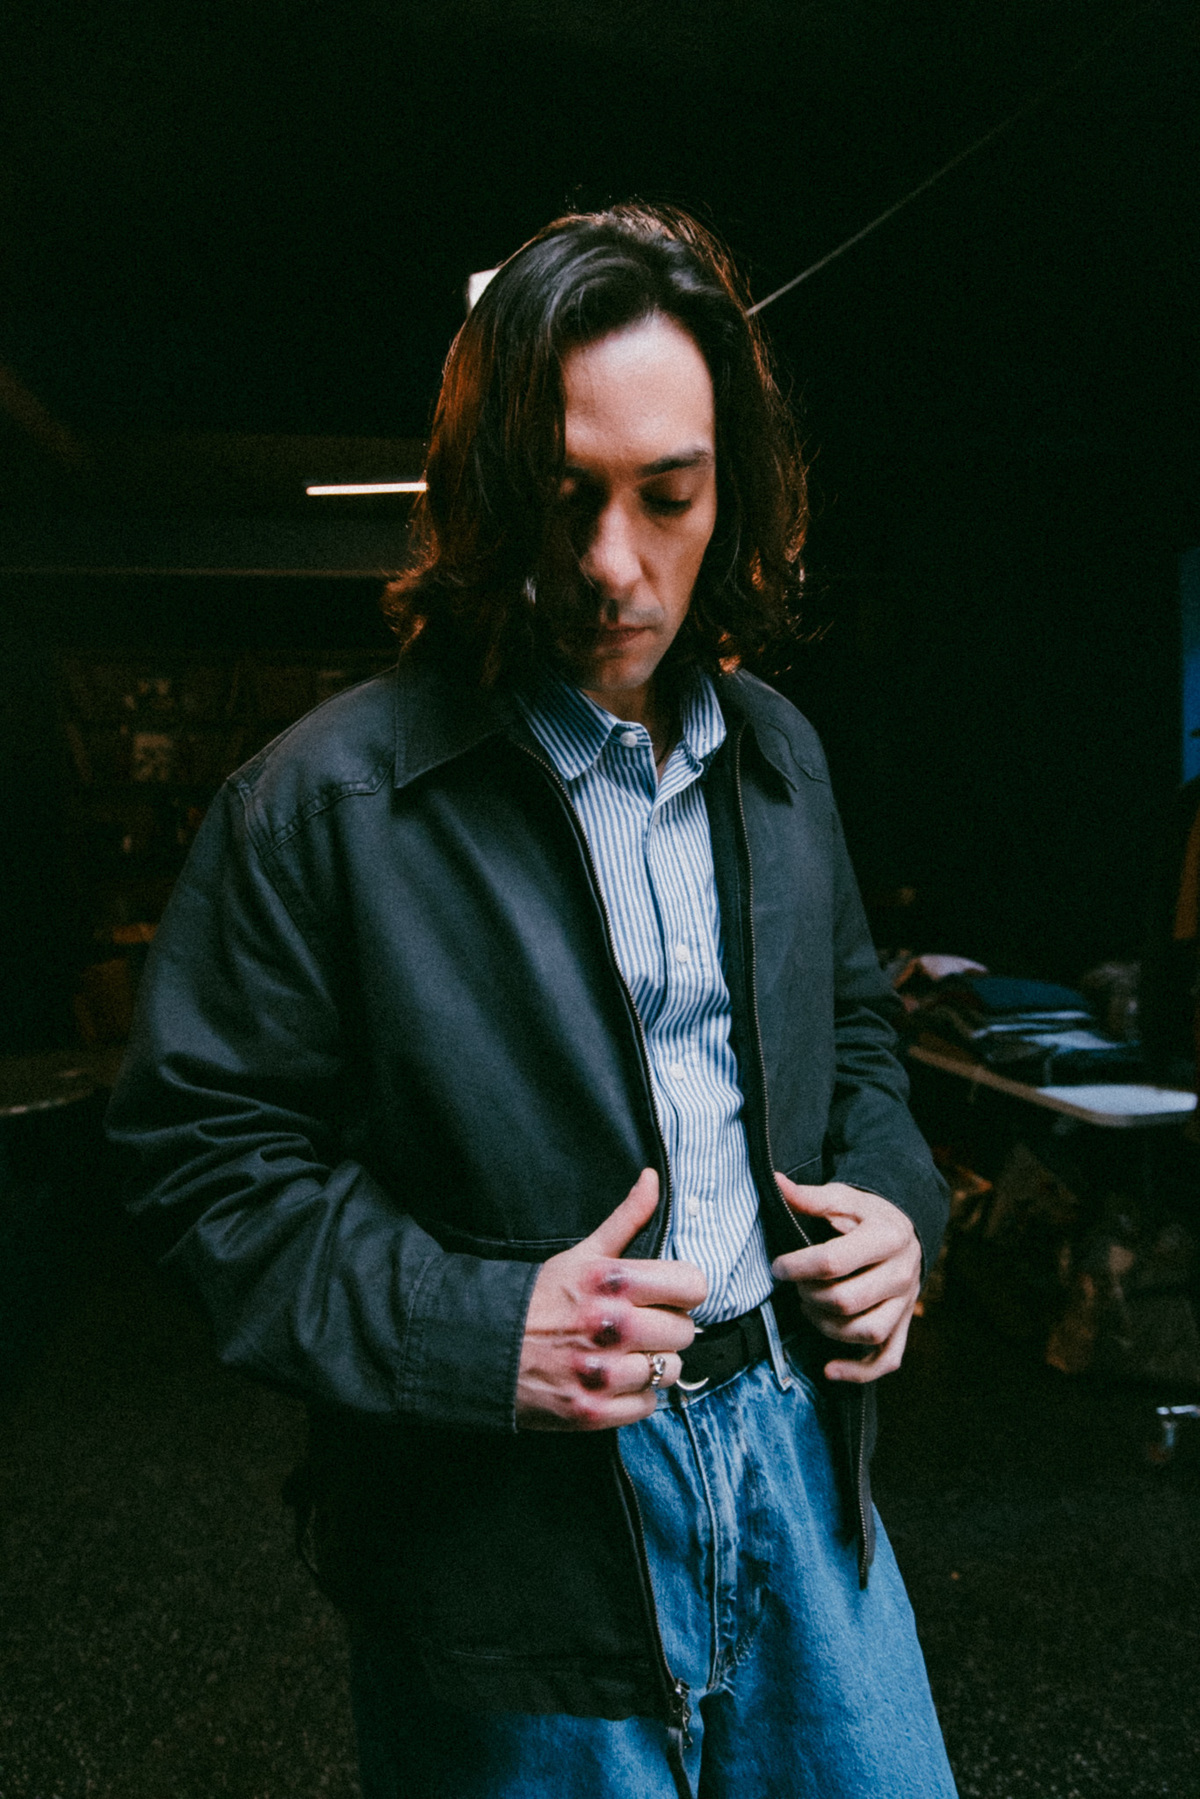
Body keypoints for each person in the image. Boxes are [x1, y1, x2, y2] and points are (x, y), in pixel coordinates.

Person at [107, 204, 957, 1799]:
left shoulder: (782, 756)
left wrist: (902, 1217)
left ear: (733, 488)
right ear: (488, 493)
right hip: (508, 1531)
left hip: (795, 1463)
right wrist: (472, 1331)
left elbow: (857, 1041)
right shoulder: (319, 805)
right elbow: (200, 1168)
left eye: (669, 496)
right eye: (565, 500)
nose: (615, 565)